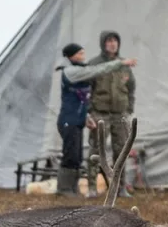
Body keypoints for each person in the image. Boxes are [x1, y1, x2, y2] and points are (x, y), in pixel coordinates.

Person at [56, 43, 130, 197]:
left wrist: (87, 117)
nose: (83, 56)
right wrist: (119, 63)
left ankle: (72, 188)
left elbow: (82, 99)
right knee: (70, 154)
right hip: (68, 120)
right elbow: (95, 71)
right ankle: (64, 189)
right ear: (71, 56)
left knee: (76, 155)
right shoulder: (71, 71)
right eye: (80, 53)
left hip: (77, 120)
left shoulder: (78, 70)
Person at [86, 31, 139, 195]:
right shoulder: (95, 64)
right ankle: (92, 187)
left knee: (121, 151)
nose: (112, 44)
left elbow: (131, 88)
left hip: (120, 114)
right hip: (100, 113)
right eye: (109, 41)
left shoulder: (124, 65)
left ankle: (120, 188)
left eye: (115, 41)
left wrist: (129, 108)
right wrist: (89, 112)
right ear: (103, 43)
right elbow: (87, 89)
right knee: (96, 149)